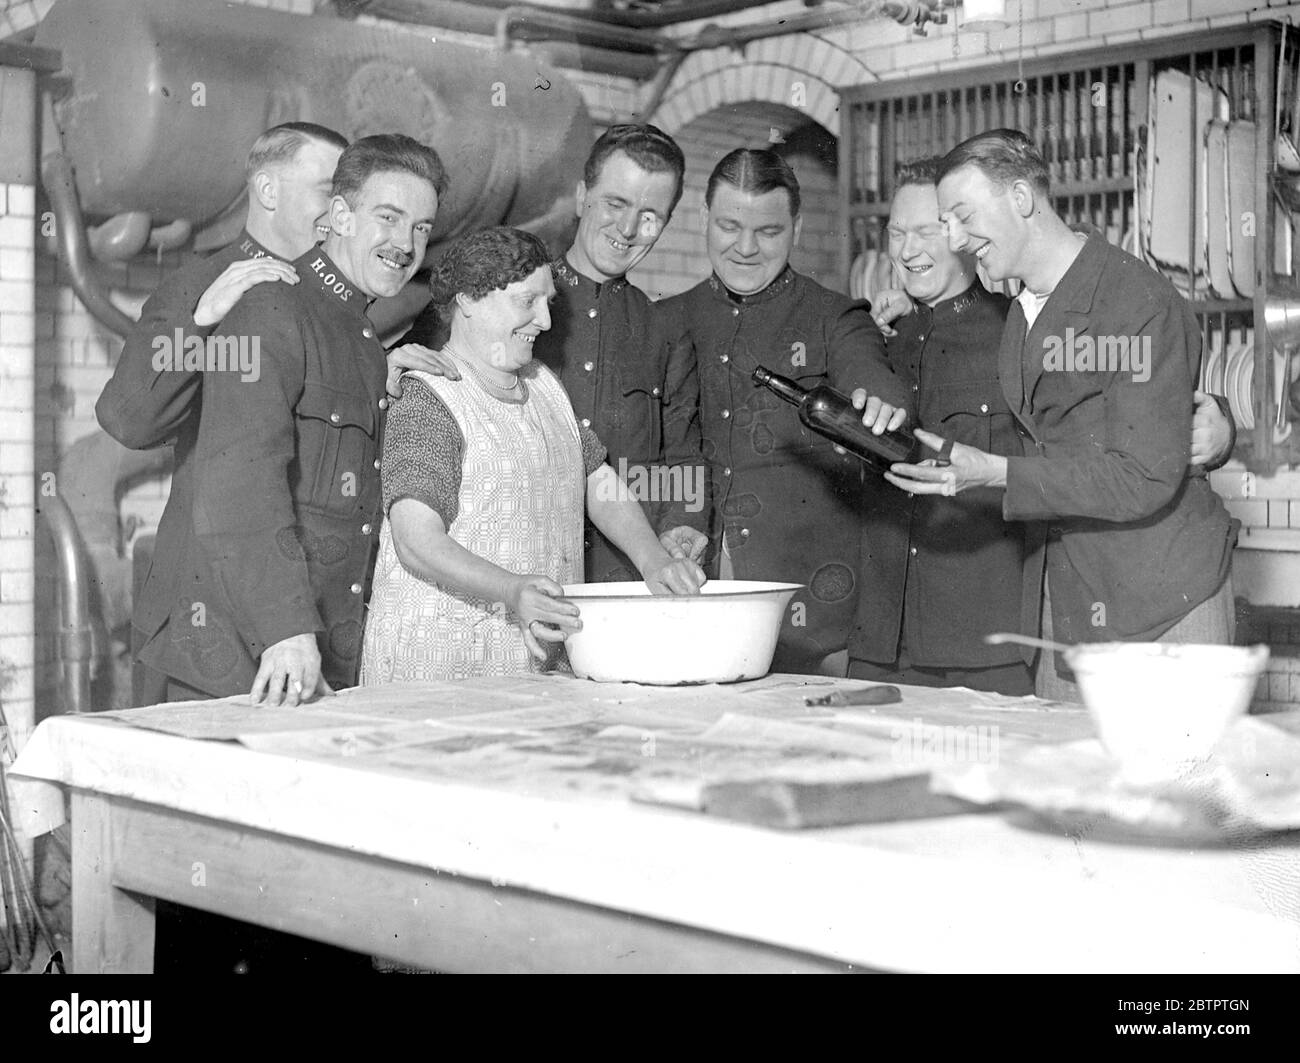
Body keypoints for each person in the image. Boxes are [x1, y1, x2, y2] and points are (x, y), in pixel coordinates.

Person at [850, 157, 1237, 696]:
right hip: (1058, 605)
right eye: (898, 232)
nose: (952, 240)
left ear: (1021, 201)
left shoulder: (1081, 304)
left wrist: (1218, 422)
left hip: (1150, 599)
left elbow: (1134, 447)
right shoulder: (971, 317)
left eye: (948, 222)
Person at [97, 121, 453, 707]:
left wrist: (378, 378)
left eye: (420, 227)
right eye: (383, 215)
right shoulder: (224, 288)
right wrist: (202, 324)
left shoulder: (348, 320)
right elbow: (135, 421)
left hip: (294, 637)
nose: (405, 241)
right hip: (221, 631)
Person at [360, 227, 705, 683]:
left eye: (548, 303)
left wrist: (652, 560)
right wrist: (511, 589)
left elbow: (597, 481)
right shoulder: (430, 395)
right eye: (527, 302)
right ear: (467, 301)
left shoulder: (543, 384)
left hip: (529, 657)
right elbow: (415, 540)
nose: (544, 321)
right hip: (444, 665)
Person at [400, 124, 710, 582]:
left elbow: (682, 455)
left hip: (623, 574)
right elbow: (417, 379)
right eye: (615, 204)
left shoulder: (665, 329)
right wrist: (392, 364)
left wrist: (683, 521)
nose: (627, 229)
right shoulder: (500, 294)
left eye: (650, 217)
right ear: (583, 196)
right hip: (502, 568)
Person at [662, 149, 910, 675]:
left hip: (810, 620)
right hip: (686, 602)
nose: (746, 248)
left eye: (769, 231)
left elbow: (870, 373)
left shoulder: (834, 315)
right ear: (704, 219)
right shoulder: (666, 320)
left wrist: (879, 400)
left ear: (795, 228)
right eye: (729, 226)